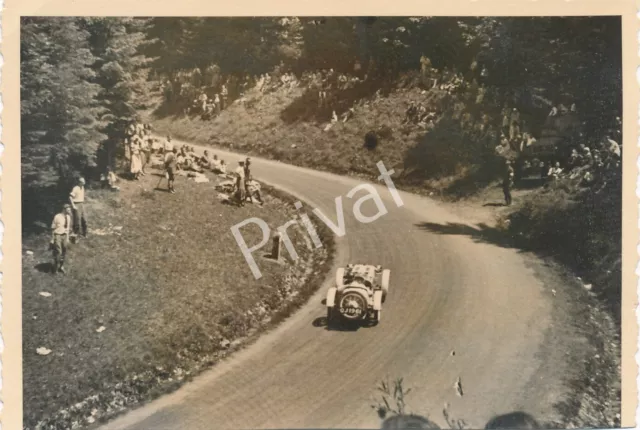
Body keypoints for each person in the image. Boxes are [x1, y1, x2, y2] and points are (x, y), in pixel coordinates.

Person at [50, 204, 73, 274]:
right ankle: (55, 268)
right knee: (58, 252)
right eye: (68, 210)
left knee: (64, 252)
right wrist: (52, 239)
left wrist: (68, 238)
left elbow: (68, 229)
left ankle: (61, 266)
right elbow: (53, 228)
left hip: (65, 236)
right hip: (58, 235)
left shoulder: (68, 217)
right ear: (64, 209)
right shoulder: (57, 216)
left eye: (70, 210)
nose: (69, 211)